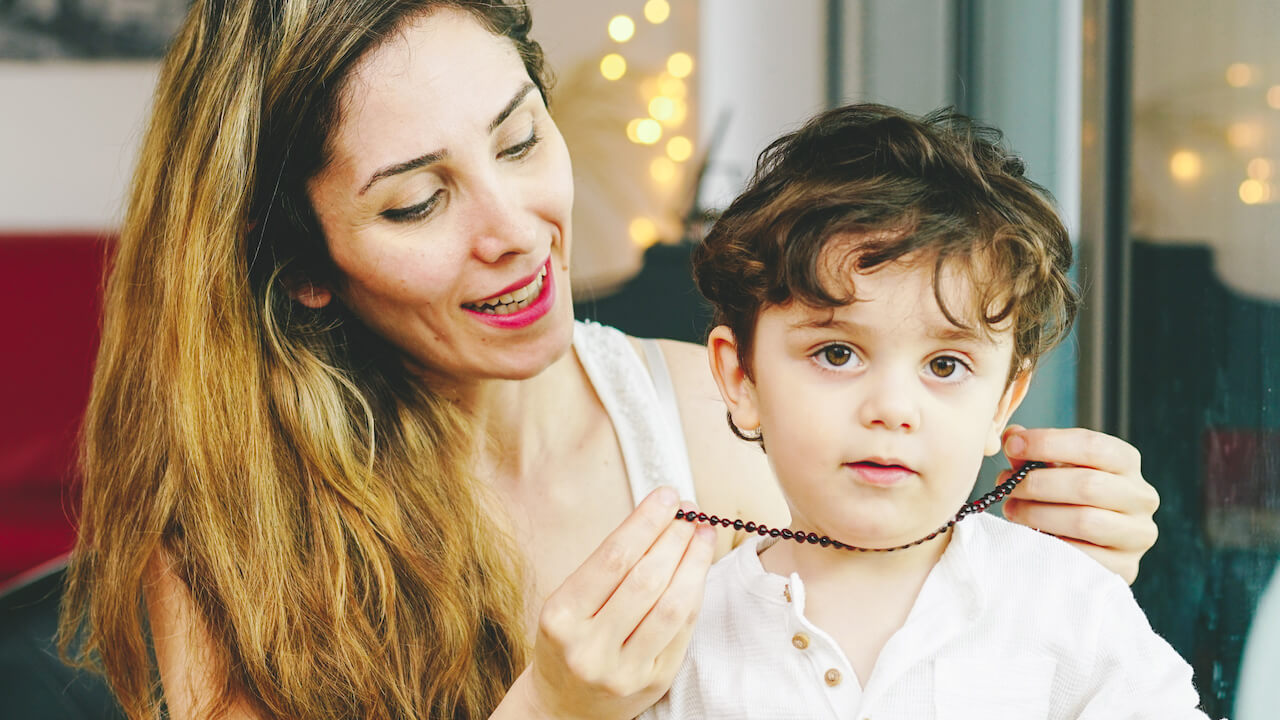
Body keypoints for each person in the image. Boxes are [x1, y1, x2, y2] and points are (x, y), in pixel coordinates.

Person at [56, 2, 1160, 719]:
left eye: (520, 139)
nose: (514, 226)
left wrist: (1035, 582)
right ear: (302, 265)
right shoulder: (231, 539)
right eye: (417, 199)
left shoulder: (739, 427)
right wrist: (548, 712)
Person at [641, 103, 1206, 719]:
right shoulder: (681, 640)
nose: (891, 409)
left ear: (1004, 402)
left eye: (945, 366)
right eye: (836, 353)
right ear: (740, 376)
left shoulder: (1068, 604)